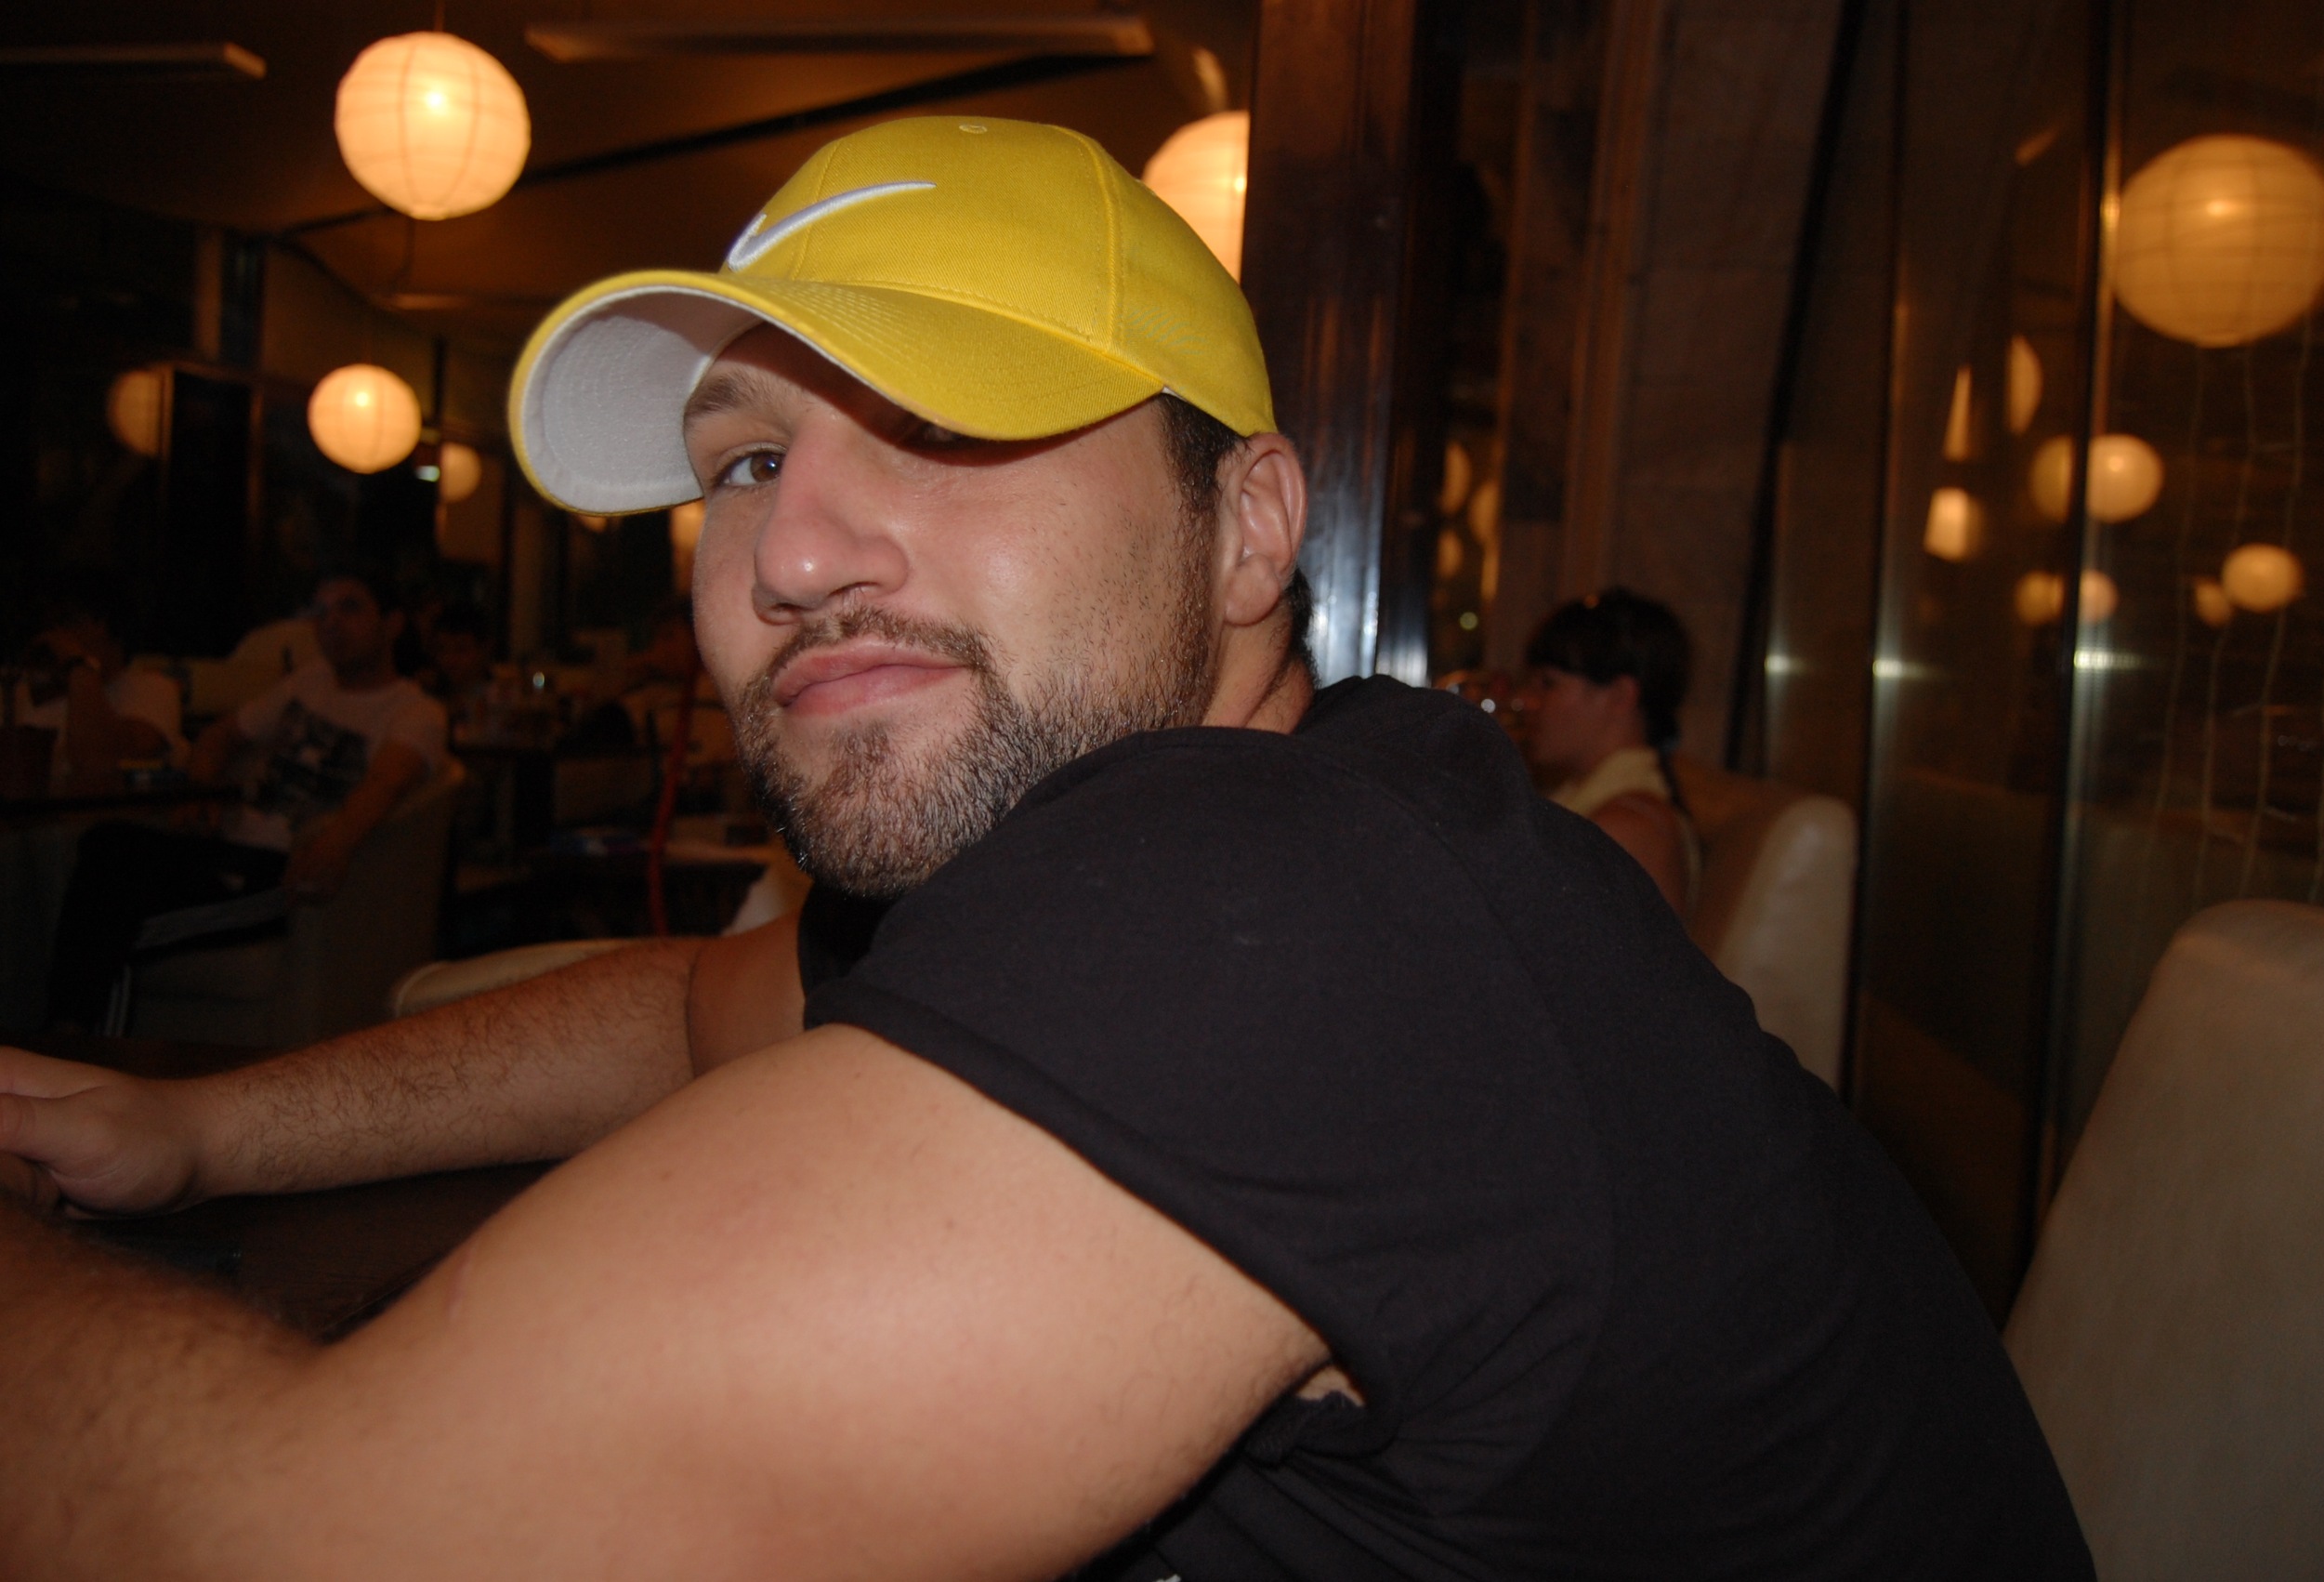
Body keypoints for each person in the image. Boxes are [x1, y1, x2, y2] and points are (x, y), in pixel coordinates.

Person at [0, 117, 2090, 1579]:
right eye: (745, 463)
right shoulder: (1121, 852)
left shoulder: (1286, 902)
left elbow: (285, 1537)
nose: (789, 555)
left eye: (941, 425)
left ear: (1247, 527)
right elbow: (686, 1004)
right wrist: (196, 1127)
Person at [41, 569, 448, 1030]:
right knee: (107, 843)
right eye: (321, 611)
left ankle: (75, 1035)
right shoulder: (309, 681)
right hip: (226, 848)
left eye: (349, 608)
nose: (331, 623)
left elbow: (386, 783)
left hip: (278, 871)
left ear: (392, 624)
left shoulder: (414, 711)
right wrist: (201, 792)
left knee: (112, 913)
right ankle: (67, 1028)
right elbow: (218, 737)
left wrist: (335, 843)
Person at [1519, 591, 1699, 914]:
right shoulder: (1594, 797)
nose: (1527, 701)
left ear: (1620, 695)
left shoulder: (1628, 829)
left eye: (1548, 683)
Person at [8, 589, 185, 788]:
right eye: (52, 626)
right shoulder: (28, 693)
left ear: (104, 626)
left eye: (69, 622)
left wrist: (78, 664)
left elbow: (99, 763)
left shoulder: (151, 688)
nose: (55, 637)